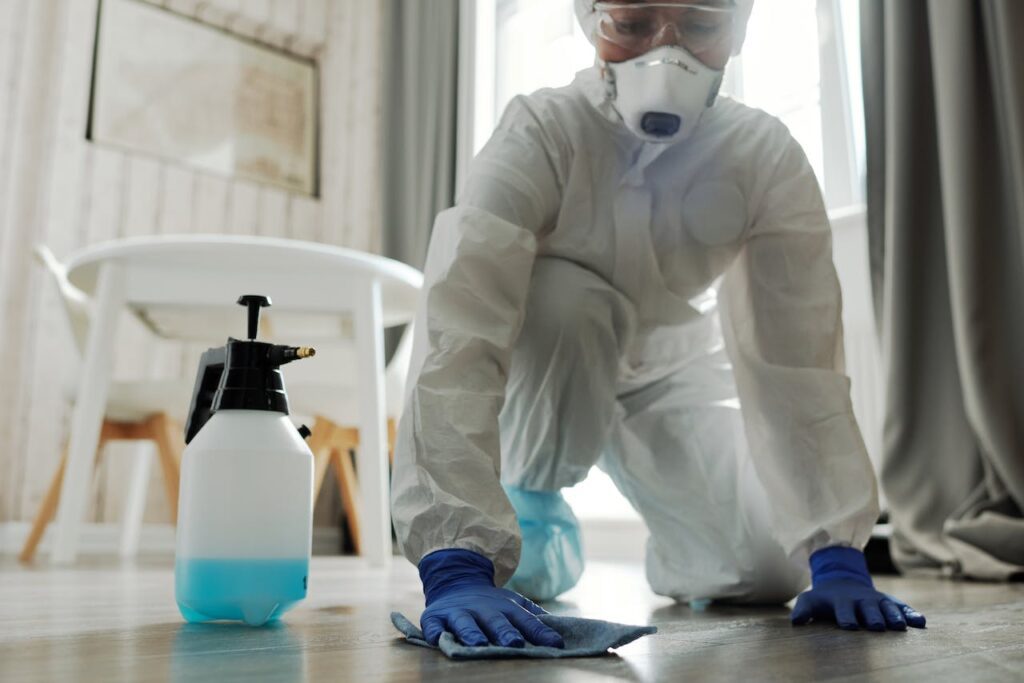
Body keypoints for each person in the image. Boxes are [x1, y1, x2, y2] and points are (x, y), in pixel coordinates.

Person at [391, 0, 927, 649]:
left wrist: (835, 547)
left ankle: (672, 540)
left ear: (739, 28)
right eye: (634, 23)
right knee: (572, 298)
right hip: (555, 363)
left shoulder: (762, 155)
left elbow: (798, 357)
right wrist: (454, 553)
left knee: (764, 565)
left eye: (699, 26)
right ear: (591, 21)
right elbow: (462, 327)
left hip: (669, 372)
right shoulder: (541, 130)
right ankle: (533, 504)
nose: (664, 54)